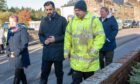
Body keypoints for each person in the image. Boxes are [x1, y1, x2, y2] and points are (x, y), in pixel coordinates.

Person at [64, 1, 105, 84]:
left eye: (78, 10)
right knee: (75, 82)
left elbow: (101, 37)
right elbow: (67, 38)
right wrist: (66, 52)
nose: (76, 12)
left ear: (84, 10)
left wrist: (94, 50)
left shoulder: (94, 20)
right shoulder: (72, 22)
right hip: (76, 64)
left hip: (89, 63)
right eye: (75, 10)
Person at [38, 1, 67, 84]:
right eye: (46, 10)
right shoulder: (43, 20)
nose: (48, 11)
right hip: (47, 53)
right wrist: (44, 41)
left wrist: (56, 39)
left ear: (54, 9)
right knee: (44, 75)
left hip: (58, 52)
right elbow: (40, 34)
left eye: (50, 9)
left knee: (59, 75)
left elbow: (67, 35)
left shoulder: (62, 20)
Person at [6, 15, 30, 84]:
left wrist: (16, 53)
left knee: (17, 76)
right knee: (21, 73)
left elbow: (25, 44)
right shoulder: (10, 31)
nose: (11, 23)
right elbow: (7, 43)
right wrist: (8, 51)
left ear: (17, 22)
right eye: (10, 21)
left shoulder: (22, 30)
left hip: (20, 56)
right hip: (12, 56)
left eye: (13, 22)